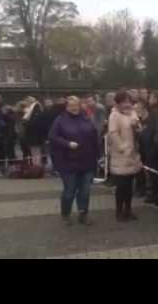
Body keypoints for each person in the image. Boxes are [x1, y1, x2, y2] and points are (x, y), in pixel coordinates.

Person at [49, 96, 100, 226]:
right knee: (69, 191)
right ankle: (65, 214)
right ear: (66, 107)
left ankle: (83, 214)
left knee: (85, 191)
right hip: (68, 163)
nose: (74, 107)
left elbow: (94, 136)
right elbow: (53, 137)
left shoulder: (86, 118)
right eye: (71, 105)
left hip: (87, 161)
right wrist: (67, 144)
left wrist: (98, 155)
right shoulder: (60, 120)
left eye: (76, 104)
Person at [108, 90, 142, 222]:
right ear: (118, 103)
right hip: (121, 156)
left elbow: (139, 128)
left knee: (129, 186)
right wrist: (122, 147)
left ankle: (128, 209)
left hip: (133, 155)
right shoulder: (114, 116)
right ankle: (119, 211)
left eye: (128, 101)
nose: (127, 104)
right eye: (124, 102)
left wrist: (137, 125)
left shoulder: (132, 113)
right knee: (121, 186)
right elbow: (113, 133)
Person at [22, 97, 45, 167]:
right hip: (33, 134)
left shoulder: (36, 109)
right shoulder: (34, 109)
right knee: (34, 151)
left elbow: (34, 122)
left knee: (36, 151)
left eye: (26, 102)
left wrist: (26, 123)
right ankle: (36, 166)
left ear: (29, 102)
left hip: (35, 135)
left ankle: (37, 167)